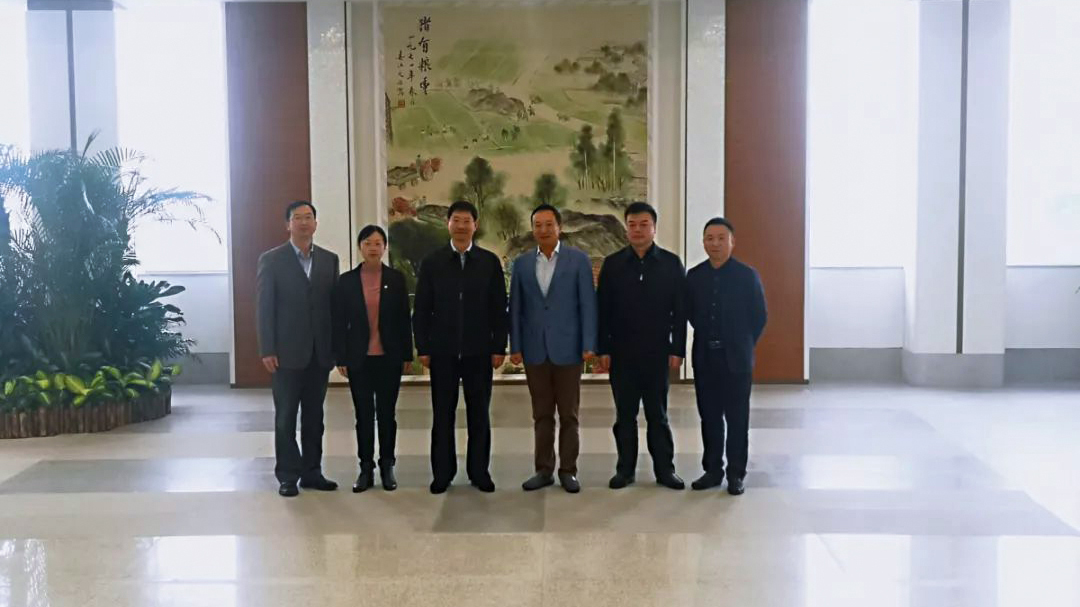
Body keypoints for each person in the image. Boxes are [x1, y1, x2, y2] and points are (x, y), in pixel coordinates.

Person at [413, 200, 508, 494]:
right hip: (442, 352)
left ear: (475, 226)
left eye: (467, 221)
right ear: (448, 224)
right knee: (443, 415)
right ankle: (442, 473)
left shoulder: (489, 262)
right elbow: (422, 308)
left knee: (479, 414)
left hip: (479, 351)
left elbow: (498, 308)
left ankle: (479, 471)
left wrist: (499, 346)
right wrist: (423, 347)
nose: (462, 226)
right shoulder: (432, 262)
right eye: (457, 220)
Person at [595, 202, 687, 490]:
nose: (637, 230)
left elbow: (680, 311)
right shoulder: (613, 264)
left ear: (654, 228)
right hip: (621, 353)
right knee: (625, 415)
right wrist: (603, 349)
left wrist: (678, 349)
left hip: (657, 352)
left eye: (643, 224)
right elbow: (603, 310)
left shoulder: (671, 264)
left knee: (658, 415)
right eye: (632, 225)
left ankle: (665, 470)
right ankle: (625, 470)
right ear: (626, 229)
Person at [509, 204, 597, 494]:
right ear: (532, 229)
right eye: (538, 225)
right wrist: (515, 345)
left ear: (559, 227)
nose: (543, 230)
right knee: (542, 414)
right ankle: (543, 469)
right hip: (535, 350)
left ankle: (568, 471)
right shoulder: (522, 264)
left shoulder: (578, 260)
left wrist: (588, 343)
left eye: (549, 224)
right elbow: (516, 308)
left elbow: (587, 304)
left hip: (569, 348)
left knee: (569, 415)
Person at [256, 200, 340, 497]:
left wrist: (335, 349)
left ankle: (312, 472)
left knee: (315, 418)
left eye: (308, 217)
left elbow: (334, 308)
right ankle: (288, 475)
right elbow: (264, 308)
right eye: (297, 218)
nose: (304, 222)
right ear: (288, 224)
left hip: (320, 353)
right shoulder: (272, 260)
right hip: (285, 353)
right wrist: (267, 348)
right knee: (286, 417)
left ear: (316, 223)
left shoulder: (329, 260)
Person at [685, 217, 767, 495]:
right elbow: (691, 314)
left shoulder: (747, 276)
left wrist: (743, 343)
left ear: (732, 242)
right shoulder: (694, 276)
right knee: (709, 417)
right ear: (703, 242)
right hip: (705, 358)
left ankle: (736, 474)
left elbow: (759, 316)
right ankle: (712, 470)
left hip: (737, 360)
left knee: (737, 418)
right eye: (710, 238)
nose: (715, 244)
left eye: (721, 238)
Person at [333, 225, 413, 493]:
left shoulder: (396, 279)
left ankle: (387, 465)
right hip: (359, 359)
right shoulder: (346, 281)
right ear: (360, 247)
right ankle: (365, 467)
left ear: (384, 247)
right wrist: (341, 356)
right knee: (364, 415)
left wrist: (407, 354)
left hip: (389, 358)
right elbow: (339, 322)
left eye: (378, 243)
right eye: (368, 243)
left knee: (387, 414)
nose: (373, 248)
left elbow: (404, 319)